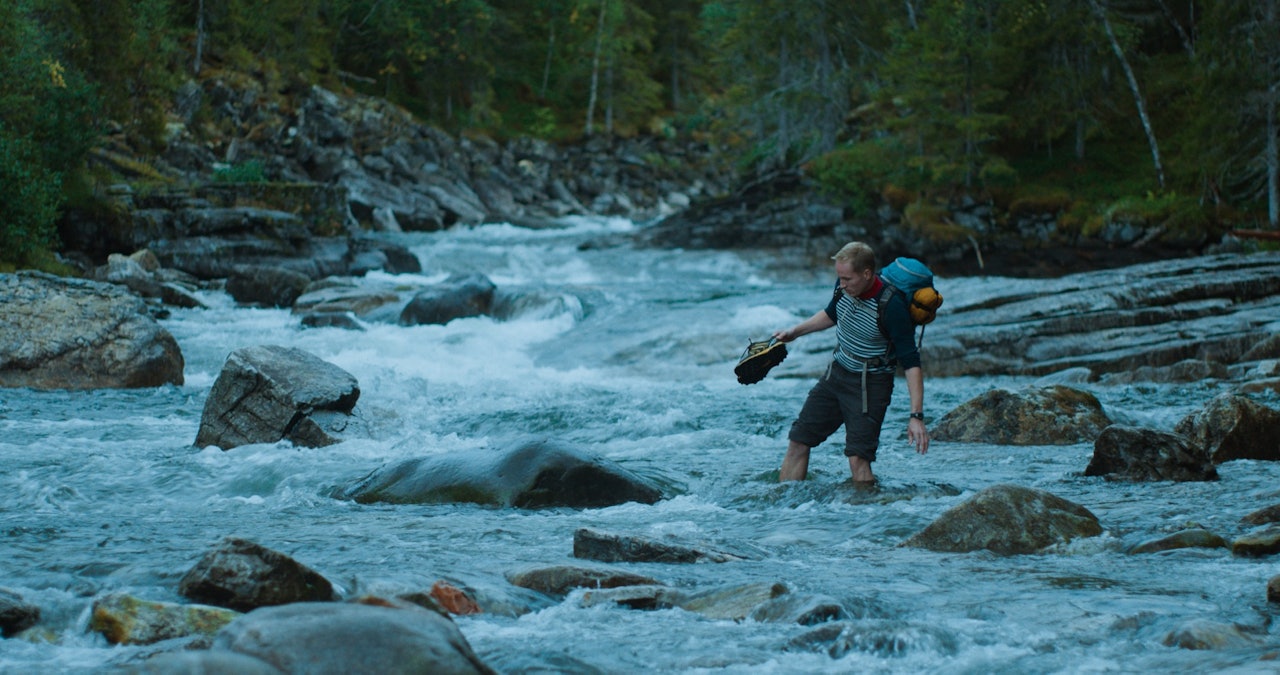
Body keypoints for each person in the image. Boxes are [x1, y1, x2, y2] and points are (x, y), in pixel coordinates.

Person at [772, 242, 929, 483]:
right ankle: (783, 513)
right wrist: (795, 332)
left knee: (858, 460)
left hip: (870, 386)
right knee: (798, 441)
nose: (842, 284)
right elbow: (832, 313)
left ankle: (864, 517)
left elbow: (911, 362)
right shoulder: (844, 288)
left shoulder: (892, 306)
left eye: (847, 278)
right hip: (835, 376)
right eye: (839, 278)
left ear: (867, 274)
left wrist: (916, 416)